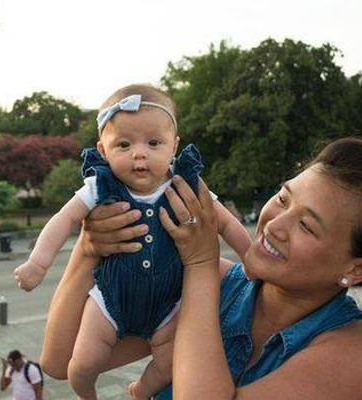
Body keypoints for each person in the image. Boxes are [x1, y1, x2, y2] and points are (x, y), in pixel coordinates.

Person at [39, 137, 362, 400]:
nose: (273, 223)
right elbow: (59, 361)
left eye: (306, 225)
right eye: (282, 198)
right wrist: (90, 251)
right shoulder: (219, 285)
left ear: (358, 269)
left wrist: (200, 264)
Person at [14, 84, 251, 400]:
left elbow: (225, 222)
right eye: (124, 145)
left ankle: (142, 390)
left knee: (167, 362)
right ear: (102, 151)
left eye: (154, 143)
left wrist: (250, 257)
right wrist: (38, 262)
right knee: (81, 365)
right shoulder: (101, 186)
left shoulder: (186, 185)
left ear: (174, 146)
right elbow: (64, 219)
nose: (140, 153)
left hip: (168, 304)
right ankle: (87, 393)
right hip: (110, 300)